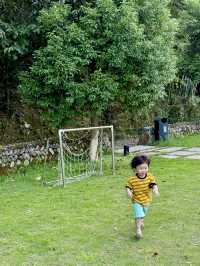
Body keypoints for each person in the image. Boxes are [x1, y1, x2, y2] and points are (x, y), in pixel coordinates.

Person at [126, 155, 160, 239]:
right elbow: (128, 187)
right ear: (135, 169)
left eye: (145, 168)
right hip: (136, 200)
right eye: (141, 168)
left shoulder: (150, 177)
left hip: (147, 200)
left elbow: (153, 184)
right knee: (138, 215)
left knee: (143, 214)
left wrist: (155, 190)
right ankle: (138, 230)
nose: (143, 170)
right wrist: (129, 192)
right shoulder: (132, 179)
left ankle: (141, 220)